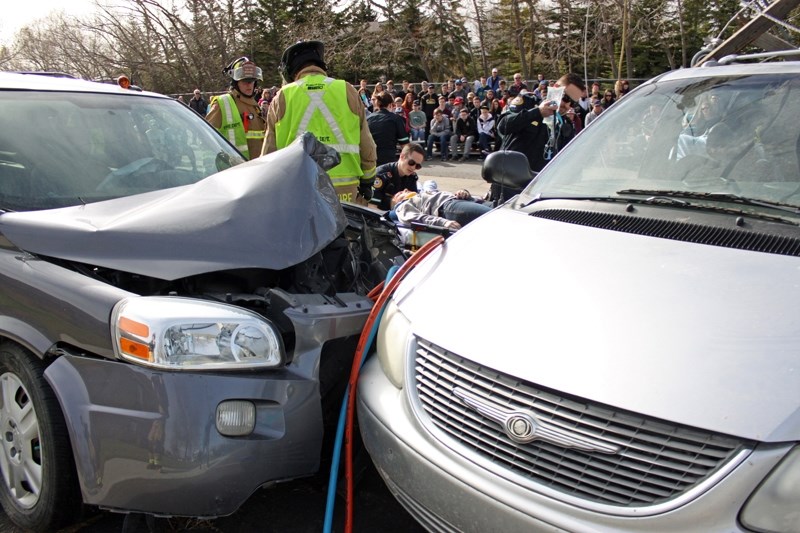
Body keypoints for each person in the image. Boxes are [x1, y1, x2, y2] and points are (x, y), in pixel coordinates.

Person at [262, 41, 377, 204]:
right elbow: (367, 144)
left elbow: (269, 151)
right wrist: (368, 181)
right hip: (345, 192)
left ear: (290, 70)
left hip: (299, 190)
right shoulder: (346, 90)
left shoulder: (282, 96)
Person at [497, 72, 585, 175]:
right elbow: (503, 126)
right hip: (510, 180)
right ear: (555, 88)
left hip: (539, 185)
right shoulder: (528, 102)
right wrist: (537, 112)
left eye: (573, 103)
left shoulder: (566, 125)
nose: (567, 106)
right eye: (566, 98)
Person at [206, 57, 266, 160]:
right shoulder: (223, 104)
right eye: (244, 81)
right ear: (235, 83)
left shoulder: (255, 106)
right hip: (234, 169)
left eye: (251, 81)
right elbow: (206, 136)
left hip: (257, 167)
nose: (249, 85)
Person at [391, 185, 491, 230]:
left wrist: (463, 191)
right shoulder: (402, 206)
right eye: (400, 193)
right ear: (396, 201)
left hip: (464, 200)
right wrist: (443, 222)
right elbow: (415, 218)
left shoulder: (423, 193)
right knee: (495, 217)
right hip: (447, 206)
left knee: (504, 211)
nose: (405, 189)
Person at [372, 143, 425, 211]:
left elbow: (414, 204)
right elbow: (372, 208)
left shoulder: (412, 177)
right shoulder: (381, 175)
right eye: (411, 162)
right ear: (402, 156)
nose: (413, 168)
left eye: (418, 166)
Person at [367, 92, 410, 166]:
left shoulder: (368, 118)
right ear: (390, 105)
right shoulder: (396, 119)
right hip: (388, 158)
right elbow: (404, 144)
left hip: (370, 158)